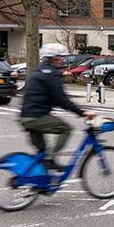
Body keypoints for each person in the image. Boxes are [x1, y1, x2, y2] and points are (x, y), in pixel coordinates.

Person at [20, 43, 94, 171]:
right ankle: (50, 160)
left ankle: (40, 184)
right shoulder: (51, 74)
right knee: (66, 129)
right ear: (53, 59)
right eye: (60, 58)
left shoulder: (40, 71)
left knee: (42, 152)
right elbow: (62, 100)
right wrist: (82, 112)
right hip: (36, 117)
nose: (62, 61)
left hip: (26, 116)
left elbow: (48, 97)